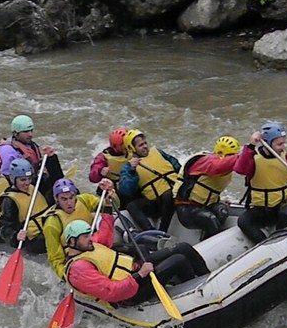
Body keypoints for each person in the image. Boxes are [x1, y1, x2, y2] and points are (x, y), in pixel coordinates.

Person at [62, 218, 209, 306]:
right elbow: (112, 292)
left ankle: (207, 279)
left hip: (136, 269)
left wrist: (107, 200)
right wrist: (140, 274)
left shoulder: (88, 246)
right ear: (73, 241)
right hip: (131, 293)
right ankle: (196, 294)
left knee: (184, 248)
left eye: (90, 234)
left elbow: (105, 234)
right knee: (178, 260)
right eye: (85, 236)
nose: (90, 238)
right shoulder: (79, 269)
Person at [40, 176, 116, 279]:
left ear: (75, 195)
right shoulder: (52, 223)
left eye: (71, 197)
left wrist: (110, 194)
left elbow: (114, 205)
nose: (69, 203)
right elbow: (55, 259)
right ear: (56, 199)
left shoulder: (83, 200)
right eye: (64, 199)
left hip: (97, 243)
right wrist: (67, 276)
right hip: (78, 258)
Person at [173, 135, 241, 240]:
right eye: (230, 155)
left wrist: (218, 200)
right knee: (210, 218)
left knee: (222, 212)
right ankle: (217, 245)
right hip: (186, 208)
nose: (232, 158)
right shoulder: (205, 161)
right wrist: (243, 156)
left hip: (205, 205)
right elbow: (217, 167)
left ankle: (205, 241)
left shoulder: (220, 163)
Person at [117, 128, 180, 232]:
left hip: (174, 194)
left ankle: (163, 230)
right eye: (141, 145)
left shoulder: (158, 152)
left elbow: (177, 166)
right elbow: (126, 191)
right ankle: (151, 232)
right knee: (131, 206)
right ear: (132, 148)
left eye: (145, 143)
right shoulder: (129, 167)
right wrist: (131, 171)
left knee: (167, 195)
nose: (145, 146)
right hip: (156, 202)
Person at [0, 114, 64, 204]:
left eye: (31, 131)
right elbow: (5, 179)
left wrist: (51, 158)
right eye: (26, 132)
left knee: (59, 182)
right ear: (15, 133)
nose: (30, 134)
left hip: (32, 180)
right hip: (21, 186)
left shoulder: (30, 145)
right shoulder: (6, 151)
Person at [0, 158, 50, 253]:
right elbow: (4, 228)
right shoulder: (9, 200)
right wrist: (15, 236)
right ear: (14, 179)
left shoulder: (35, 184)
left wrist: (51, 158)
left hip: (49, 228)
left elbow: (55, 178)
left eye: (29, 178)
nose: (27, 183)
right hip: (34, 241)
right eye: (23, 180)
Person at [88, 128, 131, 196]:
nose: (126, 145)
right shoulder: (103, 157)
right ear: (115, 146)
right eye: (123, 144)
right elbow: (92, 177)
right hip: (111, 187)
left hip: (129, 184)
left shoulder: (132, 151)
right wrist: (100, 172)